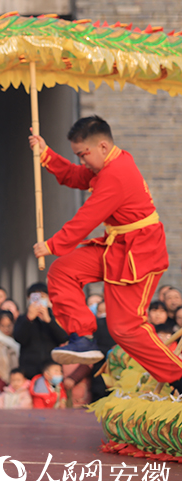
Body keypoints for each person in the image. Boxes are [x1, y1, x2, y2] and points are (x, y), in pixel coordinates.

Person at [30, 116, 182, 392]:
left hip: (140, 250)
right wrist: (47, 155)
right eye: (77, 155)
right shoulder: (108, 164)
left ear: (101, 146)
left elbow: (87, 217)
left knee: (125, 328)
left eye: (83, 155)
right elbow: (76, 176)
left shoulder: (116, 173)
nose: (81, 161)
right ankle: (83, 336)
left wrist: (53, 245)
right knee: (63, 271)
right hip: (117, 245)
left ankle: (178, 377)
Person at [13, 283, 68, 379]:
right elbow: (19, 338)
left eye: (42, 296)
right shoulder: (22, 318)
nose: (38, 300)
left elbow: (63, 338)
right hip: (29, 370)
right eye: (35, 296)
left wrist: (48, 321)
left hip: (51, 369)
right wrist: (28, 319)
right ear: (28, 299)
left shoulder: (54, 317)